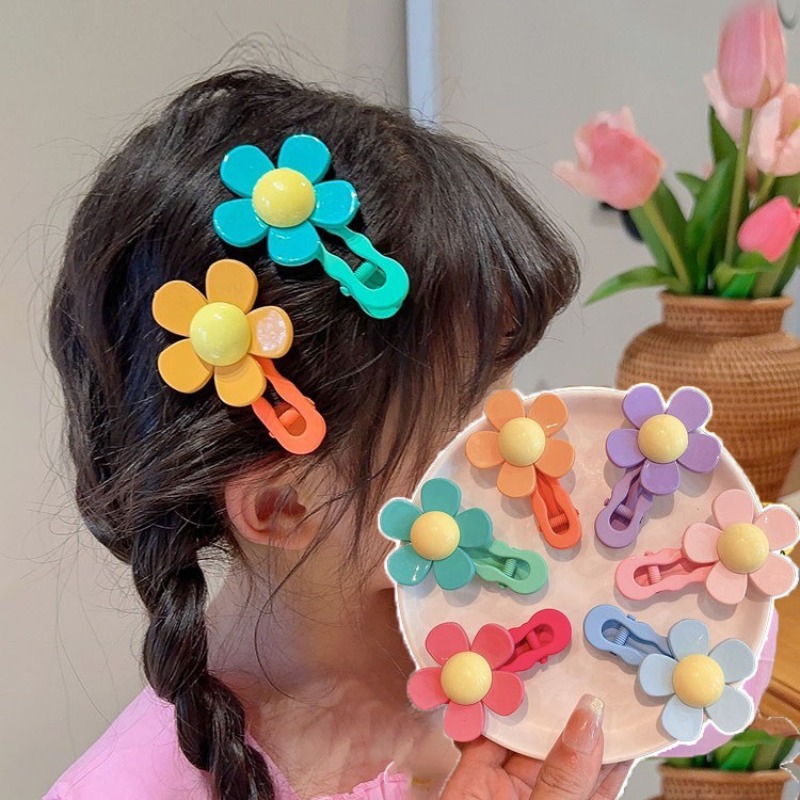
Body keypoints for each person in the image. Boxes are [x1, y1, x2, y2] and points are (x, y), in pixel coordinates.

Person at [44, 68, 632, 800]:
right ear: (286, 505)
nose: (534, 435)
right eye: (474, 407)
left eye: (514, 379)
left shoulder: (517, 656)